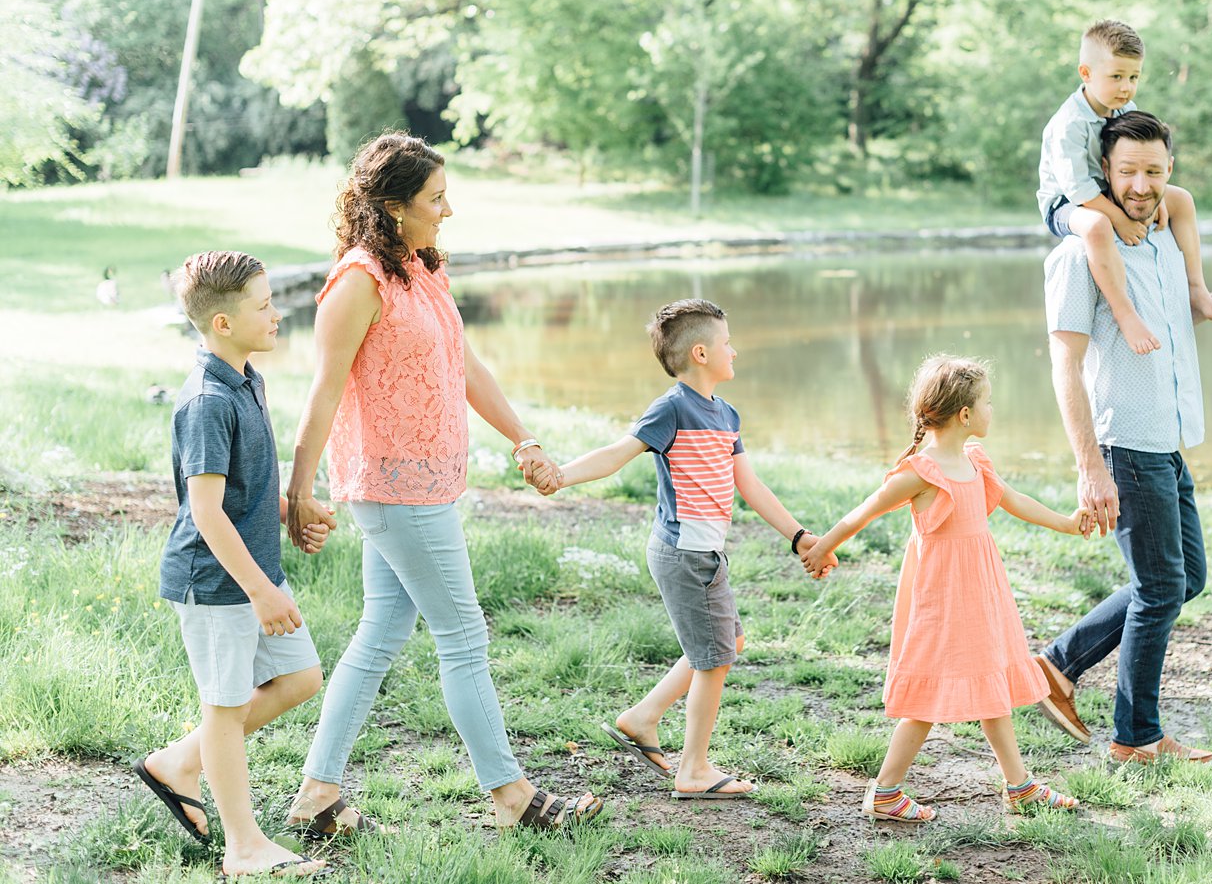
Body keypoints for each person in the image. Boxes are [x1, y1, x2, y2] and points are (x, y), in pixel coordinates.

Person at [282, 133, 602, 833]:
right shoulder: (358, 279)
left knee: (380, 633)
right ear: (394, 207)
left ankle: (316, 796)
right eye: (435, 198)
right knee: (463, 635)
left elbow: (465, 366)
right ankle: (513, 797)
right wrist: (300, 492)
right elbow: (323, 392)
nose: (448, 209)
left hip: (424, 486)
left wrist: (524, 435)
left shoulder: (418, 270)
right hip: (391, 487)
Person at [535, 299, 818, 800]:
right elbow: (617, 453)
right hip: (684, 554)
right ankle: (694, 770)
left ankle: (641, 718)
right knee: (714, 660)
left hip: (705, 554)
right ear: (703, 353)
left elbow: (750, 485)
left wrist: (798, 537)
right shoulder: (672, 407)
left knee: (725, 644)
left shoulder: (727, 414)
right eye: (728, 343)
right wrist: (562, 475)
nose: (736, 350)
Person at [1035, 111, 1212, 766]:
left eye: (1152, 171)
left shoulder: (1161, 240)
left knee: (1184, 579)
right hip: (1124, 444)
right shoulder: (1081, 253)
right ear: (1105, 171)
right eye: (1126, 171)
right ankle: (1136, 737)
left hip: (1168, 436)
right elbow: (1064, 364)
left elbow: (1182, 299)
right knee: (1160, 586)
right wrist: (1089, 468)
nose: (1139, 183)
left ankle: (1056, 665)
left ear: (1169, 170)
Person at [798, 356, 1093, 821]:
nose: (992, 410)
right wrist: (820, 549)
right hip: (942, 597)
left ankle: (1020, 786)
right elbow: (863, 512)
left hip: (980, 592)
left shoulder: (975, 461)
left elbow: (1013, 501)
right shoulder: (922, 472)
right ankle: (886, 792)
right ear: (965, 415)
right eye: (988, 402)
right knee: (930, 694)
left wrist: (1067, 524)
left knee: (990, 679)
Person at [134, 250, 330, 879]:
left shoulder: (247, 378)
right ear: (223, 323)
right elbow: (207, 512)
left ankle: (178, 763)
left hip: (253, 575)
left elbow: (241, 489)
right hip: (216, 584)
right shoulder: (206, 401)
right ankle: (243, 847)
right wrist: (260, 591)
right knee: (224, 708)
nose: (278, 313)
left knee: (300, 679)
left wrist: (287, 509)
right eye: (265, 305)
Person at [1037, 19, 1212, 355]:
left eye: (1133, 77)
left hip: (1105, 191)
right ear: (1086, 73)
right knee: (1097, 226)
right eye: (1116, 76)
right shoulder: (1069, 125)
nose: (1126, 87)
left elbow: (1140, 157)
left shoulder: (1124, 109)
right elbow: (1077, 191)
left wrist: (1155, 198)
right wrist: (1119, 218)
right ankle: (1125, 312)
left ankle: (1197, 287)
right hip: (1065, 204)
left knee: (1181, 199)